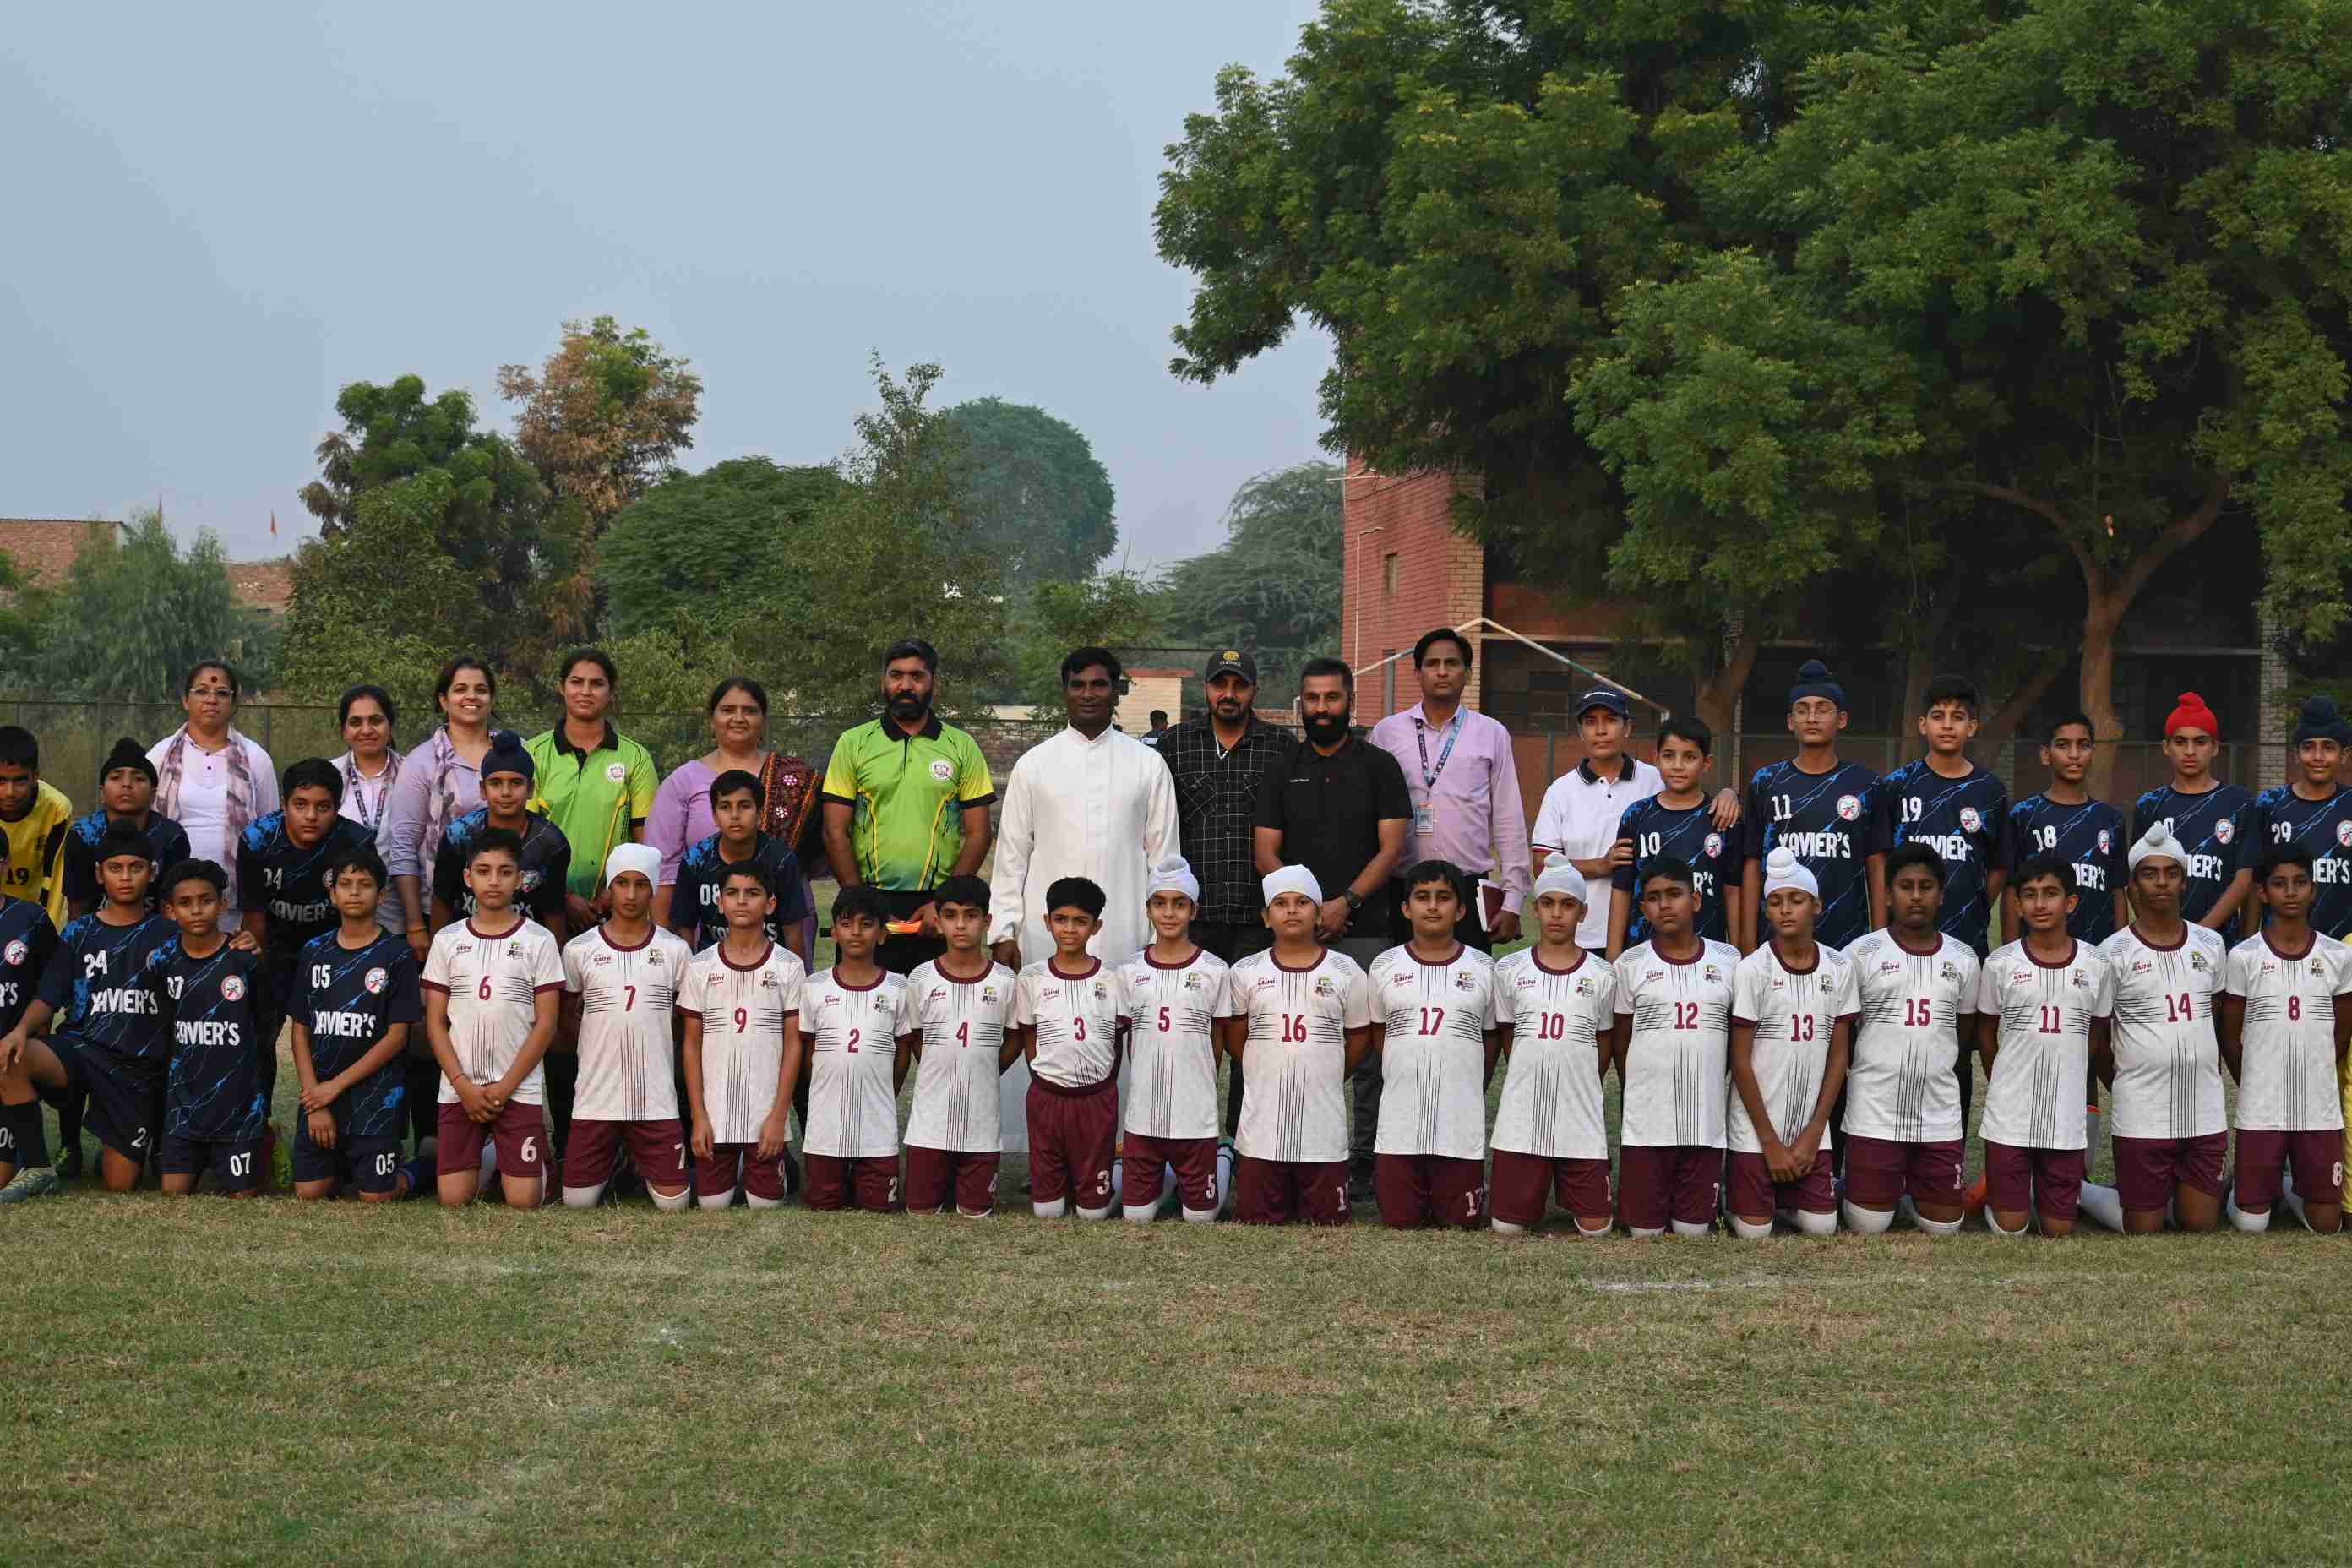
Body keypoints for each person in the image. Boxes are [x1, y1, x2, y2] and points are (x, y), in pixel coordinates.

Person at [990, 647, 1176, 1155]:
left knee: (1121, 1034)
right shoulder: (1035, 764)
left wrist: (1165, 934)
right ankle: (1040, 1151)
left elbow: (1165, 858)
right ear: (1065, 690)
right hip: (1043, 931)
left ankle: (1121, 1150)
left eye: (1099, 685)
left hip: (1124, 934)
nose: (1089, 694)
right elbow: (1011, 855)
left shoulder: (1148, 764)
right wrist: (1003, 929)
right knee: (1046, 1032)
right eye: (1079, 685)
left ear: (1116, 691)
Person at [1254, 656, 1411, 1190]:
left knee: (1367, 1048)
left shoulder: (1379, 765)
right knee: (1293, 1043)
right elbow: (1265, 851)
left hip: (1365, 925)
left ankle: (1365, 1157)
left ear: (1350, 702)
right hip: (1296, 931)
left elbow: (1393, 848)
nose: (1322, 708)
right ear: (1302, 704)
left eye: (1332, 698)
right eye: (1313, 699)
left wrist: (1345, 902)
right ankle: (1286, 1148)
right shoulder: (1281, 766)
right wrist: (1306, 909)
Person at [0, 824, 181, 1196]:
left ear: (152, 872)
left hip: (137, 1069)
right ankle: (38, 1167)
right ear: (99, 873)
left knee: (120, 1183)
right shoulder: (77, 933)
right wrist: (20, 1030)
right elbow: (48, 996)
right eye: (116, 868)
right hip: (83, 1050)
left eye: (136, 867)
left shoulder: (169, 934)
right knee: (10, 1055)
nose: (126, 877)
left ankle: (117, 1140)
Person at [1865, 674, 2007, 1135]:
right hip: (1901, 940)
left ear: (1974, 727)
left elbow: (2001, 863)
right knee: (1895, 1039)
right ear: (1922, 724)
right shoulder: (1897, 786)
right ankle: (1886, 1143)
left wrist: (1975, 904)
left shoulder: (1991, 792)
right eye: (1939, 717)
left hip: (1962, 939)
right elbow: (1879, 858)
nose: (1948, 725)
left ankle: (1949, 1153)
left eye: (1959, 717)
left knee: (1955, 1049)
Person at [2081, 828, 2229, 1234]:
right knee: (2142, 1228)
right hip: (2141, 1114)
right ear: (2133, 886)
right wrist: (2128, 1083)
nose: (2161, 882)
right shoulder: (2111, 953)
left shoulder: (2211, 944)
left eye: (2170, 873)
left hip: (2204, 1110)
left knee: (2198, 1224)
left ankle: (2183, 1189)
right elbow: (2099, 1042)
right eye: (2149, 874)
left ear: (2184, 880)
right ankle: (2080, 1190)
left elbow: (2212, 1023)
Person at [821, 641, 996, 976]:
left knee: (934, 1019)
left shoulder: (962, 746)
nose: (905, 685)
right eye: (896, 675)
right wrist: (861, 903)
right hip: (868, 899)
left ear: (934, 684)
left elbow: (978, 834)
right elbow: (834, 831)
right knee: (867, 1016)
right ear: (883, 682)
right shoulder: (853, 742)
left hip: (935, 908)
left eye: (917, 676)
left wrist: (944, 904)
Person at [1220, 867, 1375, 1225]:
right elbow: (1235, 1037)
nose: (1292, 910)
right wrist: (1264, 1063)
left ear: (1320, 913)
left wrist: (1331, 1069)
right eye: (1281, 903)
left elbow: (1358, 1037)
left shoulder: (1346, 971)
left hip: (1322, 1126)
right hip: (1262, 1129)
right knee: (1256, 1218)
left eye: (1303, 902)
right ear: (1265, 917)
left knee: (1327, 1220)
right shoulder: (1245, 972)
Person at [1839, 844, 1979, 1234]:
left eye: (1926, 886)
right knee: (1868, 1225)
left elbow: (1962, 1035)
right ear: (1887, 894)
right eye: (1905, 886)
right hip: (1875, 1113)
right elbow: (1845, 1034)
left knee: (1945, 1228)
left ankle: (1910, 1186)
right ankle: (1864, 1186)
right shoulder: (1859, 954)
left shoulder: (1964, 958)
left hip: (1938, 1115)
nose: (1916, 896)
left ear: (1941, 894)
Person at [422, 826, 564, 1209]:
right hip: (460, 1088)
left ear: (520, 880)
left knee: (523, 1202)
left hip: (516, 1088)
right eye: (483, 871)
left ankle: (534, 1162)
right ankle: (490, 1155)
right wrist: (462, 1085)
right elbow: (435, 1023)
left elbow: (546, 1023)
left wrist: (505, 1087)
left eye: (504, 872)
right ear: (468, 878)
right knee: (453, 1199)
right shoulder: (448, 940)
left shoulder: (539, 940)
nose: (494, 881)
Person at [1536, 689, 1735, 956]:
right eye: (1591, 722)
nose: (1601, 730)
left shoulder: (1656, 778)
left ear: (1627, 727)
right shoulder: (1560, 791)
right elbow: (1541, 863)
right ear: (1581, 731)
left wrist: (1730, 793)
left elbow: (1693, 793)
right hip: (1583, 931)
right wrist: (1601, 865)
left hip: (1645, 933)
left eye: (1610, 720)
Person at [1974, 857, 2115, 1238]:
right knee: (2011, 1230)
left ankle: (2073, 1192)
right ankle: (2002, 1196)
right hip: (2010, 1114)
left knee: (2058, 1230)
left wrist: (2072, 1072)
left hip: (2064, 1115)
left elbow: (2097, 1031)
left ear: (2070, 903)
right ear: (2017, 905)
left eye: (2050, 894)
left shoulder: (2097, 963)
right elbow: (1986, 1031)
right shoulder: (2001, 963)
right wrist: (2000, 1079)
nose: (2040, 904)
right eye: (2030, 896)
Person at [1367, 629, 1531, 947]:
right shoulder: (1387, 733)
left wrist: (1512, 900)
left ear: (1468, 675)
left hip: (1468, 888)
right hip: (1402, 887)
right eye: (1432, 664)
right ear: (1417, 673)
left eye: (1452, 664)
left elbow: (1508, 818)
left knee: (1469, 989)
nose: (1442, 671)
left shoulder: (1491, 733)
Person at [1725, 849, 1856, 1239]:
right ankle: (1737, 1190)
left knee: (1821, 1228)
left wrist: (1816, 1131)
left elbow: (1838, 1056)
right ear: (1766, 910)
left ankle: (1786, 1194)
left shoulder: (1838, 967)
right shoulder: (1753, 970)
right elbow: (1741, 1061)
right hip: (1756, 1130)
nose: (1786, 910)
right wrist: (1769, 1143)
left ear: (1816, 905)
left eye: (1796, 900)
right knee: (1755, 1233)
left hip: (1809, 1130)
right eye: (1776, 902)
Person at [2218, 845, 2349, 1233]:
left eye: (2300, 883)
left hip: (2318, 1109)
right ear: (2263, 893)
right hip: (2262, 1108)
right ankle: (2239, 1192)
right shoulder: (2244, 956)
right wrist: (2256, 1083)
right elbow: (2230, 1038)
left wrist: (2316, 1074)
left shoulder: (2338, 956)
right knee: (2250, 1225)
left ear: (2314, 889)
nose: (2290, 892)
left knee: (2327, 1225)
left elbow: (2340, 1034)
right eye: (2279, 884)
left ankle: (2288, 1186)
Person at [1366, 861, 1503, 1230]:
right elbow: (1381, 1033)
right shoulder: (1384, 965)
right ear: (1405, 908)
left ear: (1460, 910)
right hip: (1400, 1124)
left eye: (1443, 898)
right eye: (1422, 897)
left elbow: (1491, 1037)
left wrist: (1474, 1080)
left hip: (1460, 1123)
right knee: (1400, 1221)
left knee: (1461, 1223)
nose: (1432, 907)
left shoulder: (1483, 967)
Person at [288, 842, 428, 1202]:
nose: (354, 892)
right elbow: (301, 1029)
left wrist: (333, 1087)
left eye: (364, 884)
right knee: (308, 1192)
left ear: (381, 896)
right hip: (321, 1096)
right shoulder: (313, 951)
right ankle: (345, 1163)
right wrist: (316, 1100)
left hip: (375, 1097)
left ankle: (421, 1167)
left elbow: (398, 1037)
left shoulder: (396, 954)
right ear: (332, 894)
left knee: (375, 1198)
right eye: (345, 884)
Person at [559, 844, 694, 1211]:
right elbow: (568, 1016)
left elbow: (684, 1023)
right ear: (609, 888)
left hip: (655, 1094)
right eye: (621, 883)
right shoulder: (579, 949)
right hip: (596, 1094)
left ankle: (638, 1160)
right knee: (576, 1202)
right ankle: (618, 1159)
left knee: (675, 1205)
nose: (631, 894)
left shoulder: (676, 951)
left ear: (653, 889)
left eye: (640, 884)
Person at [239, 757, 374, 1121]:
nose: (311, 816)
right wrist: (261, 968)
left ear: (337, 807)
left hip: (334, 955)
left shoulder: (356, 842)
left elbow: (360, 916)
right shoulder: (257, 839)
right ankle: (255, 1127)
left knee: (332, 1041)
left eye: (323, 807)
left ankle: (333, 1125)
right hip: (276, 951)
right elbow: (254, 917)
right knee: (258, 1039)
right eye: (300, 805)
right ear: (284, 805)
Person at [1489, 864, 1620, 1238]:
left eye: (1567, 904)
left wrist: (1576, 1080)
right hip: (1523, 1113)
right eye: (1547, 903)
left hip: (1580, 1115)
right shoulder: (1509, 969)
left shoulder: (1602, 974)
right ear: (1535, 910)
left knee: (1596, 1228)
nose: (1557, 913)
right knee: (1507, 1227)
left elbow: (1604, 1042)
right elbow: (1508, 1035)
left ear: (1583, 912)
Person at [1613, 858, 1740, 1238]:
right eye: (1653, 898)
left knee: (1693, 1232)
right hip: (1647, 1123)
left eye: (1674, 894)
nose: (1664, 905)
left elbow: (1738, 1035)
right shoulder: (1629, 965)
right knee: (1644, 1233)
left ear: (1696, 900)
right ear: (1642, 909)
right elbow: (1621, 1039)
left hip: (1705, 1120)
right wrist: (1635, 1087)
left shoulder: (1729, 961)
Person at [650, 678, 824, 953]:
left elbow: (814, 855)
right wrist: (662, 940)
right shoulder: (682, 781)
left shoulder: (795, 778)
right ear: (712, 720)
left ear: (764, 720)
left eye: (750, 710)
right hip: (706, 934)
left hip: (784, 932)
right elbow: (666, 870)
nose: (739, 718)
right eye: (728, 709)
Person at [679, 863, 809, 1211]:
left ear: (770, 904)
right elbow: (691, 1044)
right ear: (719, 903)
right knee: (711, 1205)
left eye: (752, 894)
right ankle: (733, 1163)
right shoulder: (700, 966)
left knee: (764, 1205)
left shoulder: (788, 966)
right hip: (715, 1117)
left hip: (765, 1117)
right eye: (733, 893)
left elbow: (794, 1045)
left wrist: (778, 1118)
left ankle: (774, 1163)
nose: (741, 902)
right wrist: (699, 1117)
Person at [1113, 858, 1234, 1222]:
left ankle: (1222, 1156)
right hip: (1144, 1113)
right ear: (1148, 909)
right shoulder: (1130, 970)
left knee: (1200, 1218)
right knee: (1135, 1216)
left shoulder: (1214, 969)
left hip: (1194, 1114)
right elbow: (1128, 1039)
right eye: (1160, 903)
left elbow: (1218, 1038)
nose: (1169, 913)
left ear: (1193, 910)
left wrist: (1204, 1083)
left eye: (1179, 904)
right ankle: (1162, 1178)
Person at [147, 859, 270, 1197]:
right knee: (173, 1192)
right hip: (184, 1107)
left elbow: (264, 1027)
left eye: (206, 900)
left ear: (223, 904)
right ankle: (201, 1161)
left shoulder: (243, 958)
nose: (197, 910)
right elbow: (161, 1024)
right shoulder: (162, 962)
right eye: (185, 904)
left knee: (242, 1196)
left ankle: (262, 1142)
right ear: (170, 911)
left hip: (238, 1107)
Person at [901, 874, 1021, 1218]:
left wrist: (988, 1067)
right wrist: (940, 1065)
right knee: (921, 1211)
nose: (961, 925)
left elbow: (1015, 1036)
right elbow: (917, 1036)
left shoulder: (1005, 981)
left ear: (987, 921)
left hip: (982, 1122)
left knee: (974, 1212)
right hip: (930, 1122)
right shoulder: (921, 978)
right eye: (951, 915)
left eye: (971, 916)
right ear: (937, 922)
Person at [1162, 651, 1291, 966]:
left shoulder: (1281, 746)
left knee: (1254, 1013)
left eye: (1240, 686)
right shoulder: (1175, 744)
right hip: (1192, 914)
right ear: (1205, 688)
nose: (1229, 695)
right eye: (1220, 685)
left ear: (1254, 691)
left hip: (1259, 915)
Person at [1741, 661, 1877, 953]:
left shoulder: (1866, 784)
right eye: (1802, 710)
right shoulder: (1766, 782)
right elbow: (1752, 864)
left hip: (1848, 939)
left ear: (1841, 719)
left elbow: (1876, 865)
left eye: (1822, 709)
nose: (1812, 717)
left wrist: (1879, 941)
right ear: (1791, 721)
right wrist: (1748, 943)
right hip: (1776, 939)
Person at [1014, 876, 1129, 1220]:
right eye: (1061, 920)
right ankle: (1056, 1181)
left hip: (1096, 1099)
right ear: (1047, 922)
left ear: (1096, 926)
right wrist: (1042, 1076)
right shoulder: (1031, 978)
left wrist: (1102, 1086)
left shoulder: (1113, 977)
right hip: (1047, 1097)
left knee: (1092, 1213)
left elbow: (1118, 1039)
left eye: (1081, 921)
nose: (1069, 929)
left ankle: (1122, 1173)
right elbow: (1028, 1037)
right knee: (1047, 1211)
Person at [525, 648, 658, 938]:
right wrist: (563, 896)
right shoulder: (533, 753)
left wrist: (615, 888)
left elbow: (645, 839)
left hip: (612, 908)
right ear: (562, 688)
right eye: (576, 682)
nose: (586, 691)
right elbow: (524, 836)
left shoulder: (636, 757)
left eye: (597, 683)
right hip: (540, 907)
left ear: (611, 692)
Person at [381, 656, 503, 961]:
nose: (471, 696)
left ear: (492, 698)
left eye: (481, 689)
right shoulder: (421, 763)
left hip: (511, 907)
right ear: (443, 699)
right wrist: (414, 925)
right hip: (441, 910)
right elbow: (405, 846)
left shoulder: (516, 753)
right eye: (461, 689)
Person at [796, 885, 907, 1213]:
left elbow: (903, 1053)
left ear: (883, 934)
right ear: (834, 933)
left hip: (877, 1124)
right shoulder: (814, 986)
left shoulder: (899, 987)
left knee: (879, 1208)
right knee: (822, 1204)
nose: (856, 932)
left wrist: (888, 1091)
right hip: (824, 1125)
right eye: (846, 923)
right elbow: (807, 1052)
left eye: (866, 923)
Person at [149, 660, 280, 934]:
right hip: (173, 899)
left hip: (235, 900)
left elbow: (269, 834)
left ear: (233, 703)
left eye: (222, 693)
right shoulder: (159, 757)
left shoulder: (256, 759)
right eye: (201, 691)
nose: (211, 699)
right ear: (185, 700)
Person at [1608, 715, 1744, 956]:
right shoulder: (1637, 816)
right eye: (1669, 756)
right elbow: (1621, 890)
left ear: (1707, 763)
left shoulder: (1723, 818)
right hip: (1645, 955)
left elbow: (1733, 890)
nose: (1678, 765)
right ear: (1656, 760)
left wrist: (1735, 953)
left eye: (1689, 757)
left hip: (1708, 957)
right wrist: (1614, 956)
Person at [2131, 692, 2254, 939]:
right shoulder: (2149, 805)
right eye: (2180, 742)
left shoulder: (2239, 802)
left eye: (2200, 742)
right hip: (2162, 941)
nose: (2190, 751)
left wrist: (2199, 936)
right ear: (2166, 748)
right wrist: (2160, 934)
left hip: (2220, 942)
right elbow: (2136, 880)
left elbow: (2244, 879)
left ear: (2215, 747)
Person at [2002, 713, 2129, 947]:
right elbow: (2011, 889)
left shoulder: (2111, 819)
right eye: (2063, 745)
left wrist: (2120, 950)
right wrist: (2010, 953)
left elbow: (2117, 891)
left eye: (2083, 746)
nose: (2074, 755)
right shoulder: (2023, 815)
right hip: (2037, 956)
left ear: (2093, 752)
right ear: (2045, 755)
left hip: (2096, 955)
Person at [429, 734, 571, 938]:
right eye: (495, 783)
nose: (506, 792)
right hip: (467, 944)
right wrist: (438, 952)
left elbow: (555, 912)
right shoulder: (458, 836)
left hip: (528, 948)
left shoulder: (550, 842)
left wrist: (555, 963)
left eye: (516, 783)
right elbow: (441, 899)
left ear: (530, 789)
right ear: (482, 789)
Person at [671, 770, 812, 961]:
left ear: (760, 814)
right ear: (714, 815)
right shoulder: (695, 860)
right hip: (713, 971)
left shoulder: (781, 860)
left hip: (770, 970)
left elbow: (793, 932)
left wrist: (796, 981)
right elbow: (684, 929)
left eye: (744, 806)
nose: (735, 815)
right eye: (725, 807)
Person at [2242, 695, 2352, 940]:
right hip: (2280, 950)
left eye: (2329, 747)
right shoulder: (2270, 804)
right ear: (2295, 754)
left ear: (2344, 754)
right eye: (2308, 746)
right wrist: (2247, 942)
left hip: (2345, 948)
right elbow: (2253, 882)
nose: (2318, 756)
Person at [63, 738, 189, 920]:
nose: (127, 784)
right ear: (102, 792)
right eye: (115, 778)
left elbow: (172, 907)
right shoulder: (83, 834)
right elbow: (77, 907)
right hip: (95, 936)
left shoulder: (171, 835)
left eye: (138, 779)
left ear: (153, 794)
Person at [0, 833, 63, 1198]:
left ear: (5, 863)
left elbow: (53, 985)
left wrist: (30, 1029)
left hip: (15, 1058)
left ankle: (37, 1166)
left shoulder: (30, 918)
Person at [0, 725, 73, 927]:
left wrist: (46, 935)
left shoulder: (57, 808)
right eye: (1, 781)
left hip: (28, 916)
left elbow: (55, 881)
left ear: (36, 776)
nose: (10, 792)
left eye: (20, 780)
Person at [333, 685, 404, 863]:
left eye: (376, 721)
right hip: (340, 887)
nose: (366, 730)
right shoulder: (328, 775)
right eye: (356, 722)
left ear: (390, 725)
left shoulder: (413, 774)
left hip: (400, 888)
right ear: (344, 731)